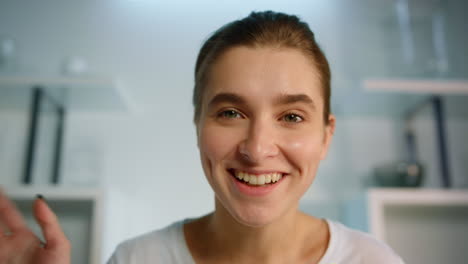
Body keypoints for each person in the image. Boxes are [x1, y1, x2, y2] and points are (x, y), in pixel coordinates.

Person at [0, 11, 405, 264]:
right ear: (198, 123)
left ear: (326, 135)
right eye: (230, 112)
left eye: (292, 116)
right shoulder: (137, 259)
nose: (257, 148)